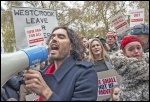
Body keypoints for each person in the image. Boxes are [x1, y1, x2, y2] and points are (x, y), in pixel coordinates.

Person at [24, 26, 98, 101]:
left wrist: (45, 92)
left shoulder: (85, 73)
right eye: (52, 37)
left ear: (71, 46)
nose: (54, 39)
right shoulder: (43, 73)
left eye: (61, 37)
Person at [111, 35, 149, 101]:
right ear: (124, 53)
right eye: (131, 49)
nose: (136, 51)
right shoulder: (129, 65)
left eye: (138, 48)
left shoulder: (143, 59)